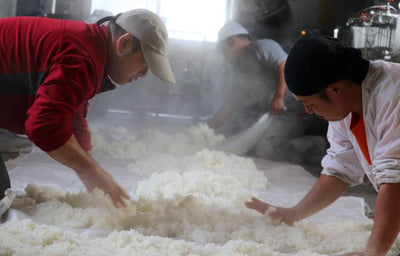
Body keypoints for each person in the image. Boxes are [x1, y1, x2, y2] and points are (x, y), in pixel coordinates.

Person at [0, 9, 175, 209]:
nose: (143, 74)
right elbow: (43, 126)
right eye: (144, 64)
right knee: (1, 195)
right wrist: (90, 171)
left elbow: (71, 110)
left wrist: (91, 165)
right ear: (124, 43)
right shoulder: (82, 56)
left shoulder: (89, 46)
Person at [246, 34, 400, 256]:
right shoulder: (345, 107)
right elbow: (340, 170)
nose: (308, 111)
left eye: (309, 104)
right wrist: (293, 214)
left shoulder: (392, 96)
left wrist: (373, 252)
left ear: (335, 89)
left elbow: (395, 179)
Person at [209, 21, 327, 162]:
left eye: (223, 50)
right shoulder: (240, 69)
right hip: (271, 114)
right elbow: (231, 103)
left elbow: (285, 66)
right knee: (237, 135)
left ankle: (318, 145)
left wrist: (279, 97)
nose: (223, 55)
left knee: (266, 150)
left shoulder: (262, 47)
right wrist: (208, 130)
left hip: (293, 112)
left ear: (232, 42)